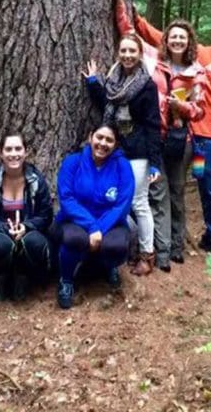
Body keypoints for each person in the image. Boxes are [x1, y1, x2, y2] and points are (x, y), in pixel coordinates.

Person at [122, 0, 211, 259]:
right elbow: (158, 36)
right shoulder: (201, 54)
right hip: (200, 140)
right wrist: (135, 17)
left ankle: (209, 235)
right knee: (209, 187)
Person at [108, 0, 205, 272]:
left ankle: (176, 247)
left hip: (180, 139)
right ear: (165, 40)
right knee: (158, 195)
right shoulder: (153, 60)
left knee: (177, 192)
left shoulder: (196, 72)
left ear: (189, 42)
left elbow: (200, 111)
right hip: (154, 137)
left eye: (182, 37)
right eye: (172, 37)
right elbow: (128, 33)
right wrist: (120, 1)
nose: (176, 41)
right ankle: (161, 254)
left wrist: (182, 106)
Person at [82, 33, 162, 276]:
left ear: (139, 54)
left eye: (132, 51)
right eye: (124, 51)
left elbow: (152, 125)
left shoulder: (147, 85)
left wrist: (154, 163)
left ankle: (147, 256)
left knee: (139, 202)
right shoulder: (113, 80)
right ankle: (124, 250)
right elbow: (107, 102)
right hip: (114, 150)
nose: (127, 55)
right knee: (116, 201)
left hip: (138, 152)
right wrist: (94, 82)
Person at [54, 124, 135, 309]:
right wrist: (92, 227)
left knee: (116, 245)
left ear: (115, 145)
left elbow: (123, 204)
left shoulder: (123, 166)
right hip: (75, 220)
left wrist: (101, 228)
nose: (103, 143)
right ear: (91, 137)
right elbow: (66, 198)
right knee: (74, 239)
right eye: (99, 137)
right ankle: (66, 280)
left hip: (111, 222)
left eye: (109, 140)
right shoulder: (72, 162)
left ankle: (107, 266)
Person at [0, 133, 54, 301]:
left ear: (25, 152)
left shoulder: (35, 180)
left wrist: (26, 227)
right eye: (9, 149)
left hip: (28, 232)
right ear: (1, 153)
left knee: (35, 243)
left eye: (18, 148)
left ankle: (23, 277)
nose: (14, 154)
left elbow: (46, 214)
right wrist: (4, 228)